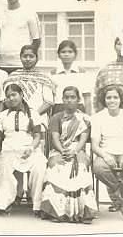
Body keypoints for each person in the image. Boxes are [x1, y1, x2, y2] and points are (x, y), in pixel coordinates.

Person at [40, 86, 97, 223]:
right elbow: (55, 137)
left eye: (73, 97)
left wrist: (75, 151)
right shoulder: (56, 117)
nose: (69, 100)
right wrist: (62, 150)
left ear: (78, 100)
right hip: (60, 149)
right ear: (62, 99)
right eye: (66, 97)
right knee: (55, 165)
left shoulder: (84, 118)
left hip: (77, 149)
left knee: (81, 165)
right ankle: (57, 211)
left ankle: (83, 212)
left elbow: (83, 138)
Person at [0, 84, 46, 215]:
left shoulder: (33, 113)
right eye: (8, 96)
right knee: (2, 165)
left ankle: (38, 205)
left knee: (40, 165)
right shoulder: (1, 116)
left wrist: (31, 148)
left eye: (14, 95)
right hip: (9, 151)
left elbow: (37, 136)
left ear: (21, 95)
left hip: (29, 150)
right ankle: (4, 203)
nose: (11, 98)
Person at [91, 85, 123, 217]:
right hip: (106, 152)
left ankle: (121, 199)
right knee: (98, 168)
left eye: (115, 97)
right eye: (108, 97)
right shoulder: (98, 118)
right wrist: (105, 155)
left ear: (120, 99)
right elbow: (95, 146)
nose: (112, 100)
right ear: (104, 100)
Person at [2, 45, 54, 127]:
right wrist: (20, 115)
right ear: (20, 58)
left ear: (36, 58)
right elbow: (6, 100)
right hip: (16, 118)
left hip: (38, 117)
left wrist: (32, 115)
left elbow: (48, 102)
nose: (28, 59)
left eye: (31, 56)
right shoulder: (12, 77)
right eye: (25, 56)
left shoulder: (44, 77)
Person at [0, 0, 41, 71]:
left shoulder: (29, 13)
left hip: (22, 64)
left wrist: (28, 59)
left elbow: (36, 40)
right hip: (2, 63)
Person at [94, 37, 123, 112]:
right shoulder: (105, 70)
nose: (122, 47)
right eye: (119, 44)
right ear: (115, 47)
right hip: (110, 115)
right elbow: (98, 98)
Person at [50, 40, 92, 115]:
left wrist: (88, 117)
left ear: (75, 55)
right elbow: (50, 98)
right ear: (59, 55)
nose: (66, 54)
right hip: (59, 109)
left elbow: (87, 98)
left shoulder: (82, 73)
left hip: (78, 109)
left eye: (70, 52)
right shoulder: (53, 74)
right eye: (63, 52)